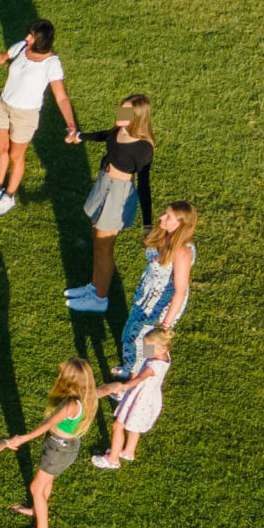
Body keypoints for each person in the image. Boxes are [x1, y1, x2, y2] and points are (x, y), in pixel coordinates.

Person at [0, 17, 78, 214]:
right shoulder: (22, 47)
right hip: (4, 105)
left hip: (25, 115)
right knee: (0, 149)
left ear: (40, 40)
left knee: (16, 156)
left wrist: (71, 124)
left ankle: (9, 196)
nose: (26, 37)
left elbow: (61, 97)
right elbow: (1, 58)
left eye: (31, 36)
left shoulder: (51, 63)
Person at [67, 95, 155, 311]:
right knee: (97, 241)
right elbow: (104, 136)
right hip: (104, 185)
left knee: (104, 247)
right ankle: (95, 286)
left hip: (118, 195)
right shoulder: (119, 130)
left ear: (137, 117)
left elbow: (144, 186)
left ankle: (100, 299)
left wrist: (147, 225)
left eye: (125, 112)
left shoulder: (143, 148)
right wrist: (80, 136)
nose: (119, 114)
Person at [2, 357, 97, 528]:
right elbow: (104, 390)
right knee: (46, 481)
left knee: (36, 487)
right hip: (64, 447)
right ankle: (37, 510)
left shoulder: (71, 405)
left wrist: (24, 438)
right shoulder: (87, 397)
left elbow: (48, 423)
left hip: (57, 448)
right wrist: (120, 385)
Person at [112, 202, 197, 378]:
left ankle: (134, 384)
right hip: (146, 297)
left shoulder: (183, 252)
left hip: (160, 305)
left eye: (168, 217)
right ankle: (130, 368)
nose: (161, 218)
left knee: (145, 344)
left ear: (180, 224)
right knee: (130, 333)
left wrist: (165, 325)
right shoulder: (165, 235)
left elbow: (180, 291)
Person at [92, 329, 172, 469]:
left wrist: (124, 386)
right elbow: (142, 362)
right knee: (135, 426)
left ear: (163, 347)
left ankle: (113, 459)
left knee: (118, 425)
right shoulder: (164, 356)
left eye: (149, 348)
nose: (146, 350)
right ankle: (129, 451)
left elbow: (139, 379)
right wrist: (135, 369)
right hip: (149, 397)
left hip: (139, 397)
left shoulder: (153, 367)